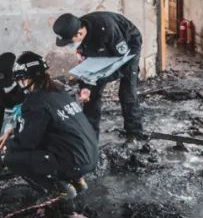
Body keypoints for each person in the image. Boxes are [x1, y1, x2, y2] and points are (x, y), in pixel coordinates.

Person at [0, 52, 97, 199]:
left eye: (21, 79)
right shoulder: (60, 92)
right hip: (90, 156)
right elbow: (49, 124)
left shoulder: (35, 101)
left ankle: (59, 189)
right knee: (51, 141)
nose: (21, 83)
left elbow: (26, 142)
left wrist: (8, 144)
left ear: (29, 78)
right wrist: (14, 130)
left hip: (74, 161)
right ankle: (78, 181)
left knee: (10, 158)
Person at [52, 11, 144, 139]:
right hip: (102, 50)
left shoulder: (107, 29)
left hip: (128, 47)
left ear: (79, 33)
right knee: (91, 95)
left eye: (69, 41)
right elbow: (86, 68)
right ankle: (90, 137)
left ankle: (135, 133)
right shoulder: (81, 41)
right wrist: (86, 87)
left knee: (127, 91)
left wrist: (98, 78)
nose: (69, 44)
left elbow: (119, 64)